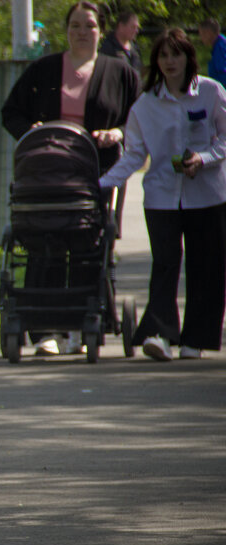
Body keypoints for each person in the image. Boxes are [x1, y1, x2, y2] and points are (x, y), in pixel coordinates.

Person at [2, 1, 141, 356]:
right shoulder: (44, 69)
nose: (82, 32)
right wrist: (29, 131)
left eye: (90, 26)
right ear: (66, 30)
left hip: (99, 173)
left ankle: (82, 324)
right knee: (44, 242)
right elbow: (11, 111)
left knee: (89, 243)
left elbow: (139, 119)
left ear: (102, 30)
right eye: (76, 25)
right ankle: (44, 330)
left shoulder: (120, 72)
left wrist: (118, 133)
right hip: (47, 177)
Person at [100, 28, 226, 361]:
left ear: (189, 57)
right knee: (166, 264)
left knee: (207, 266)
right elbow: (133, 154)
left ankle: (195, 340)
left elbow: (224, 139)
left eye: (177, 54)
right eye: (163, 55)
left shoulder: (212, 92)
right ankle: (161, 334)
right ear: (156, 61)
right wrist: (101, 184)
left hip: (208, 196)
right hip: (161, 197)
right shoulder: (145, 103)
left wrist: (205, 158)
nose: (170, 62)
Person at [100, 9, 143, 76]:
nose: (136, 31)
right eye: (133, 27)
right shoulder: (107, 47)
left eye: (137, 28)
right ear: (121, 26)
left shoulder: (135, 48)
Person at [198, 19, 226, 86]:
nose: (200, 38)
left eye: (201, 34)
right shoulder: (219, 44)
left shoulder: (220, 46)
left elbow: (222, 71)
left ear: (208, 33)